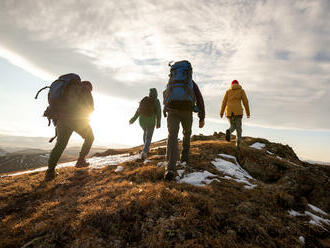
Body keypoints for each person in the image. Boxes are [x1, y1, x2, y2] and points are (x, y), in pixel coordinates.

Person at [44, 80, 95, 181]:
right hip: (77, 120)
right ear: (89, 87)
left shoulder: (65, 90)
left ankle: (50, 171)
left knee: (60, 144)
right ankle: (81, 160)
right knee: (90, 137)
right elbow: (90, 108)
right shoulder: (85, 90)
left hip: (61, 120)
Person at [163, 61, 205, 181]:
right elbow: (200, 100)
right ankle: (184, 159)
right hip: (187, 112)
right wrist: (202, 117)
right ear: (189, 73)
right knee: (186, 134)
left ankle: (170, 168)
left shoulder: (172, 81)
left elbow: (166, 95)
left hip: (172, 110)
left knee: (172, 136)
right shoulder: (190, 83)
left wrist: (165, 109)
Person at [129, 88, 161, 160]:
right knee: (148, 137)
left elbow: (138, 111)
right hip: (151, 121)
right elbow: (159, 112)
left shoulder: (145, 100)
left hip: (142, 121)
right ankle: (145, 151)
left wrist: (132, 120)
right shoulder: (156, 101)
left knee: (145, 133)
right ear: (156, 94)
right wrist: (158, 122)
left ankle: (145, 148)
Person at [220, 80, 250, 151]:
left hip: (229, 112)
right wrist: (248, 113)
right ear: (238, 84)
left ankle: (229, 131)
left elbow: (223, 102)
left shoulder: (228, 91)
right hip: (238, 112)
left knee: (232, 126)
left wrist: (221, 112)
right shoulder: (241, 91)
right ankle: (238, 144)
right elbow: (245, 102)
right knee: (238, 128)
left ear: (231, 84)